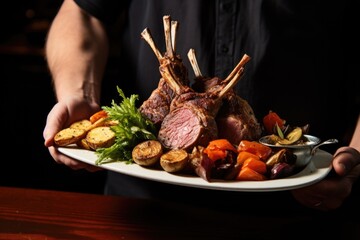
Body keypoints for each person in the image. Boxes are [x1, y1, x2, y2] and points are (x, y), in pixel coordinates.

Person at [43, 0, 360, 214]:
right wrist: (80, 94)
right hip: (141, 206)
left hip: (295, 206)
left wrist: (357, 154)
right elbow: (81, 12)